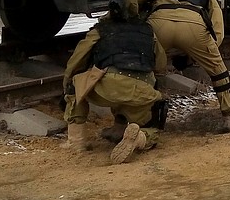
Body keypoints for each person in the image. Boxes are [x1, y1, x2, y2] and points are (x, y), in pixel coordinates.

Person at [128, 0, 230, 133]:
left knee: (142, 69)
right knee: (218, 72)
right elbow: (217, 22)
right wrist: (209, 49)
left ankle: (128, 121)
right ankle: (229, 118)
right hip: (193, 25)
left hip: (159, 22)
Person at [62, 13, 168, 165]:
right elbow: (161, 65)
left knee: (75, 85)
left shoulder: (100, 30)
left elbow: (77, 60)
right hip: (141, 91)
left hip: (107, 88)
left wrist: (67, 82)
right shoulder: (148, 31)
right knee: (152, 128)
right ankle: (138, 138)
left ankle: (76, 142)